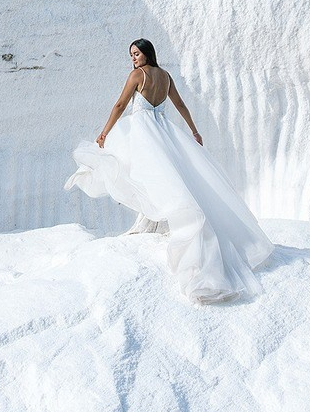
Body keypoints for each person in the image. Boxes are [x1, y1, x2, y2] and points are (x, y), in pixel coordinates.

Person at [69, 38, 274, 303]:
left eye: (136, 54)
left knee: (141, 172)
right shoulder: (165, 76)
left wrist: (105, 131)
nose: (133, 58)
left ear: (146, 54)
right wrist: (193, 130)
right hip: (164, 131)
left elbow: (120, 105)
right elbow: (179, 105)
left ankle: (152, 220)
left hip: (144, 131)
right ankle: (151, 220)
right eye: (131, 55)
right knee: (164, 176)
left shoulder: (137, 76)